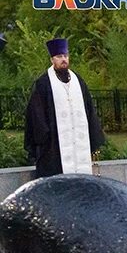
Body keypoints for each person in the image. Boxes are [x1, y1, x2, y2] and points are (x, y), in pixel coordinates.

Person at [24, 38, 105, 178]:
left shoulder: (78, 81)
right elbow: (36, 115)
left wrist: (93, 137)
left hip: (79, 144)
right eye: (59, 57)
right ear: (52, 60)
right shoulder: (43, 83)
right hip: (54, 147)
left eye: (66, 56)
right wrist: (45, 139)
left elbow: (89, 110)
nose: (64, 59)